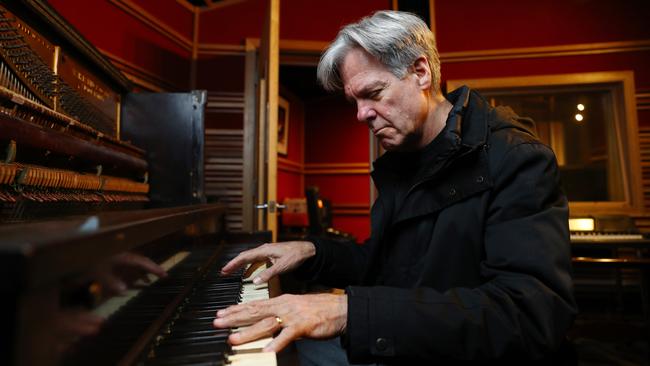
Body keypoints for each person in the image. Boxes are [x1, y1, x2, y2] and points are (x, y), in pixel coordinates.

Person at [213, 10, 577, 364]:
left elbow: (531, 315)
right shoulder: (404, 159)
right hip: (410, 340)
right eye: (355, 101)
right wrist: (311, 252)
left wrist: (349, 311)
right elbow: (389, 263)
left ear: (421, 72)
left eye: (373, 93)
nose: (361, 114)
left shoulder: (517, 158)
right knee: (291, 348)